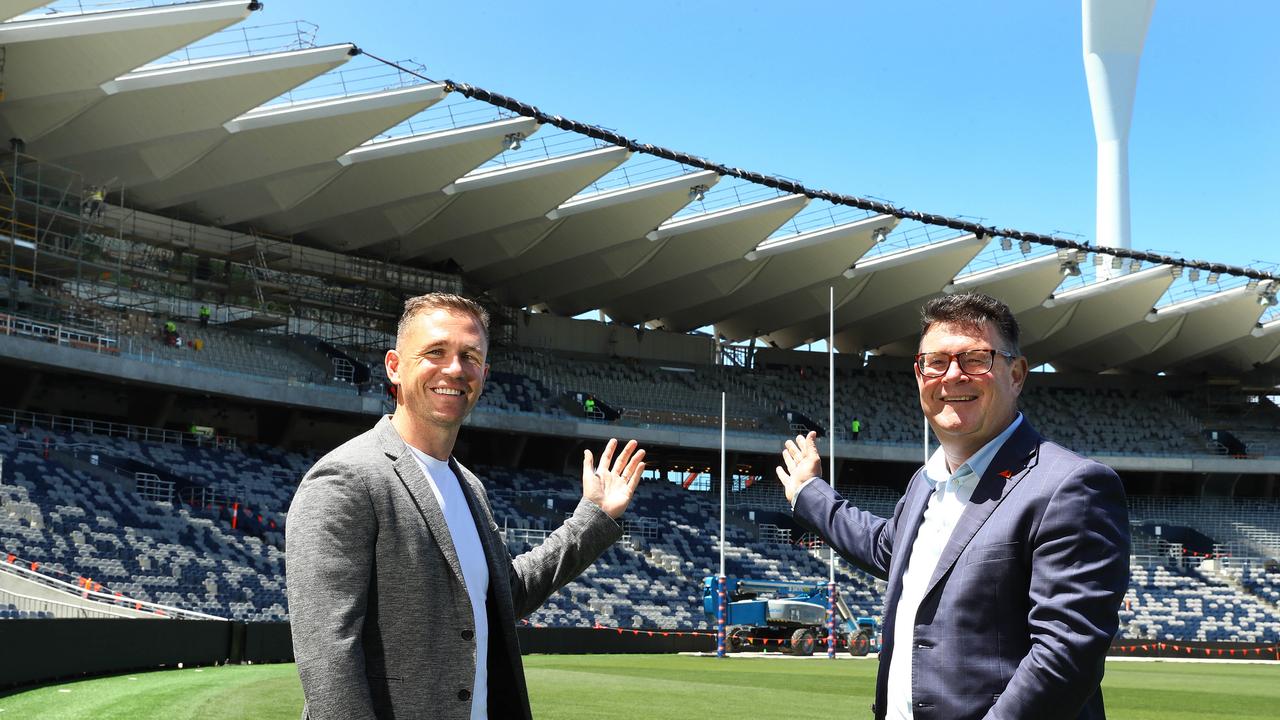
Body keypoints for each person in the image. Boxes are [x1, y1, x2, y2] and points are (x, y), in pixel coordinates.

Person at [287, 292, 646, 720]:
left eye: (470, 356)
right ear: (395, 367)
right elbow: (328, 655)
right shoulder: (346, 477)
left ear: (484, 374)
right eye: (435, 351)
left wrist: (594, 517)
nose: (455, 369)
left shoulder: (469, 485)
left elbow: (506, 595)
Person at [775, 292, 1129, 720]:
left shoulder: (1070, 485)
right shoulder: (926, 483)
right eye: (936, 362)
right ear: (920, 375)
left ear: (1016, 374)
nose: (953, 376)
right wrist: (810, 492)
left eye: (976, 359)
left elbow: (1066, 656)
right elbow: (884, 547)